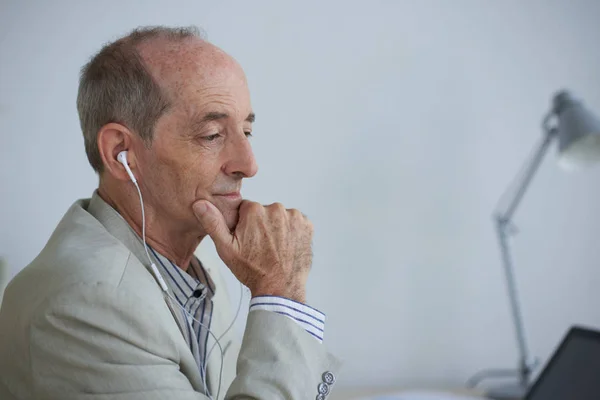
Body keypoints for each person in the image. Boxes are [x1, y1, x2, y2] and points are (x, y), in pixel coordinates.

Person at [0, 26, 339, 400]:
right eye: (212, 135)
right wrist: (280, 292)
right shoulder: (84, 305)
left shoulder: (196, 265)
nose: (248, 164)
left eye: (246, 131)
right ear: (120, 153)